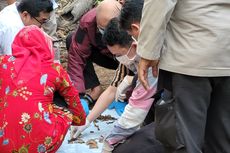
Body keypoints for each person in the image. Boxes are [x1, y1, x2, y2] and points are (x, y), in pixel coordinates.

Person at [137, 0, 230, 153]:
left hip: (190, 53)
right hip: (225, 53)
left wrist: (148, 52)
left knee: (185, 141)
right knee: (221, 141)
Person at [0, 25, 86, 152]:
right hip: (40, 145)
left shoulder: (3, 63)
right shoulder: (53, 68)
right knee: (63, 107)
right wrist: (80, 120)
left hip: (3, 145)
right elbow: (73, 98)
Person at [99, 17, 157, 153]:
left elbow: (135, 111)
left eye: (118, 54)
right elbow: (113, 89)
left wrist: (109, 142)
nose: (118, 59)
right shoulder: (140, 57)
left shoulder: (151, 64)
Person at [67, 0, 122, 105]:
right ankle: (95, 89)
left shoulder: (131, 20)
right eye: (102, 29)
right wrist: (77, 95)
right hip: (107, 57)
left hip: (127, 60)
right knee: (71, 40)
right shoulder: (88, 22)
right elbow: (77, 56)